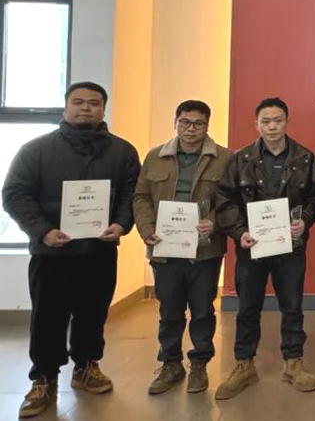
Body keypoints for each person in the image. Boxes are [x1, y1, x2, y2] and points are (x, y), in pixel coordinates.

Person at [2, 82, 141, 418]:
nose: (86, 108)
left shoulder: (122, 152)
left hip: (99, 251)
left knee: (94, 313)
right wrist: (43, 231)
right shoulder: (36, 149)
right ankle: (44, 379)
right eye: (78, 102)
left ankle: (87, 367)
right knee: (47, 317)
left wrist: (121, 224)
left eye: (94, 103)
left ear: (103, 109)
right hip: (51, 253)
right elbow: (15, 194)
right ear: (65, 107)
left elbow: (132, 194)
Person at [213, 97, 315, 399]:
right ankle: (244, 365)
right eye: (266, 121)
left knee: (292, 306)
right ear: (257, 124)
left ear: (287, 122)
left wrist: (305, 220)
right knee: (247, 307)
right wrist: (239, 232)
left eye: (278, 120)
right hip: (251, 248)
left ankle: (293, 362)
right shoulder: (240, 159)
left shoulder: (304, 158)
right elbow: (224, 200)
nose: (273, 127)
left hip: (290, 248)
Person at [133, 100, 232, 395]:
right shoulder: (155, 157)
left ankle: (199, 364)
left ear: (207, 126)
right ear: (175, 122)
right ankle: (170, 364)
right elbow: (141, 197)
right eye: (185, 122)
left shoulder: (225, 158)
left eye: (198, 124)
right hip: (165, 247)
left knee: (202, 310)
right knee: (170, 310)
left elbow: (232, 200)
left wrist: (215, 222)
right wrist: (147, 230)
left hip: (205, 249)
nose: (191, 129)